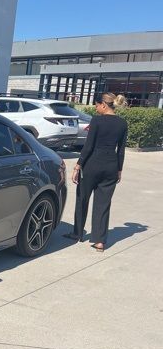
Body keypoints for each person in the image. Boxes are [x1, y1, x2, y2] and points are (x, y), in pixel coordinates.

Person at [64, 93, 128, 252]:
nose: (95, 107)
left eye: (97, 104)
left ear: (104, 105)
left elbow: (89, 146)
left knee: (82, 198)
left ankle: (77, 233)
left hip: (92, 165)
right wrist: (119, 169)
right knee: (103, 204)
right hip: (111, 166)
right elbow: (121, 150)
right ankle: (100, 241)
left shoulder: (97, 120)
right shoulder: (122, 123)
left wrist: (78, 166)